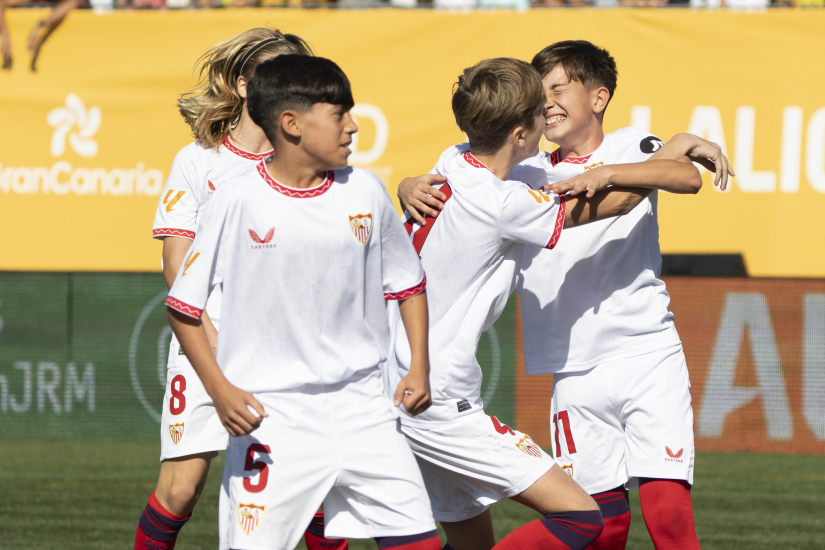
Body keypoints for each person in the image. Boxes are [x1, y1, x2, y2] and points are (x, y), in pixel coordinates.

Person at [399, 41, 732, 550]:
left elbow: (685, 177)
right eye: (539, 95)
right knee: (600, 526)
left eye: (557, 88)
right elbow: (609, 200)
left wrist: (628, 163)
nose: (547, 102)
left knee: (666, 513)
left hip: (644, 355)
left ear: (598, 98)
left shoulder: (631, 144)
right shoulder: (525, 176)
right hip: (569, 368)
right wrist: (407, 183)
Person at [165, 53, 441, 550]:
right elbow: (183, 306)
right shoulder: (236, 199)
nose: (353, 127)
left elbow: (408, 285)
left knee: (418, 542)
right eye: (339, 114)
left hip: (365, 410)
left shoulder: (365, 191)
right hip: (274, 419)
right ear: (291, 124)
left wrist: (419, 365)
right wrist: (221, 390)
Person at [141, 29, 345, 550]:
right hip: (203, 345)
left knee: (318, 490)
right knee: (180, 490)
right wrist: (209, 344)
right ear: (242, 83)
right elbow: (175, 263)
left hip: (285, 351)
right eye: (275, 72)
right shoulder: (199, 161)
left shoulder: (311, 164)